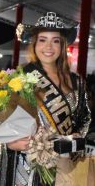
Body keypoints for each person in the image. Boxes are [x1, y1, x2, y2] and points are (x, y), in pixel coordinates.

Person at [7, 12, 92, 185]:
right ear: (35, 43)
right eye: (43, 39)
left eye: (55, 41)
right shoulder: (21, 77)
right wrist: (10, 142)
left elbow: (85, 117)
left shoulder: (77, 81)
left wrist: (76, 138)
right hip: (29, 164)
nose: (49, 47)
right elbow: (6, 121)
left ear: (62, 45)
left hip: (67, 163)